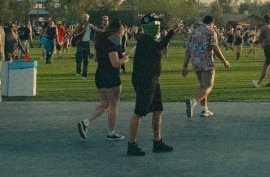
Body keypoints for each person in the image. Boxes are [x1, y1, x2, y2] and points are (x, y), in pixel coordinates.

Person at [126, 13, 183, 156]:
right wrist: (172, 31)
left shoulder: (149, 39)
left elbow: (160, 45)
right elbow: (161, 46)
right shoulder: (145, 39)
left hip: (153, 78)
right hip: (144, 79)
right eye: (155, 25)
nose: (157, 28)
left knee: (158, 110)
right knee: (139, 112)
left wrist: (171, 31)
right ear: (147, 27)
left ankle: (157, 142)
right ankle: (131, 144)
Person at [78, 19, 129, 141]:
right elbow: (115, 63)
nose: (121, 34)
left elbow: (101, 58)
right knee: (113, 106)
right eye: (120, 32)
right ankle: (111, 133)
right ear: (116, 31)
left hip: (100, 76)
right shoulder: (111, 45)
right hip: (111, 78)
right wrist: (125, 59)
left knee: (104, 104)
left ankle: (85, 122)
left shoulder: (100, 42)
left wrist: (120, 54)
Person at [183, 15, 230, 118]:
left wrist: (185, 66)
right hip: (206, 61)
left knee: (203, 86)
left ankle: (204, 109)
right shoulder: (211, 32)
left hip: (195, 61)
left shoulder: (194, 32)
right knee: (209, 86)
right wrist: (224, 60)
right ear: (212, 23)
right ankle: (193, 102)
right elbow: (215, 47)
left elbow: (188, 50)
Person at [73, 14, 101, 79]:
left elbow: (97, 30)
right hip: (80, 43)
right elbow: (74, 33)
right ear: (82, 18)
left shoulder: (90, 25)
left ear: (88, 18)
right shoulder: (78, 25)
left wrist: (105, 31)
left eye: (87, 17)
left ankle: (84, 74)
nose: (85, 18)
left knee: (86, 59)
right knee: (79, 58)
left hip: (86, 43)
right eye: (84, 17)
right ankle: (78, 71)